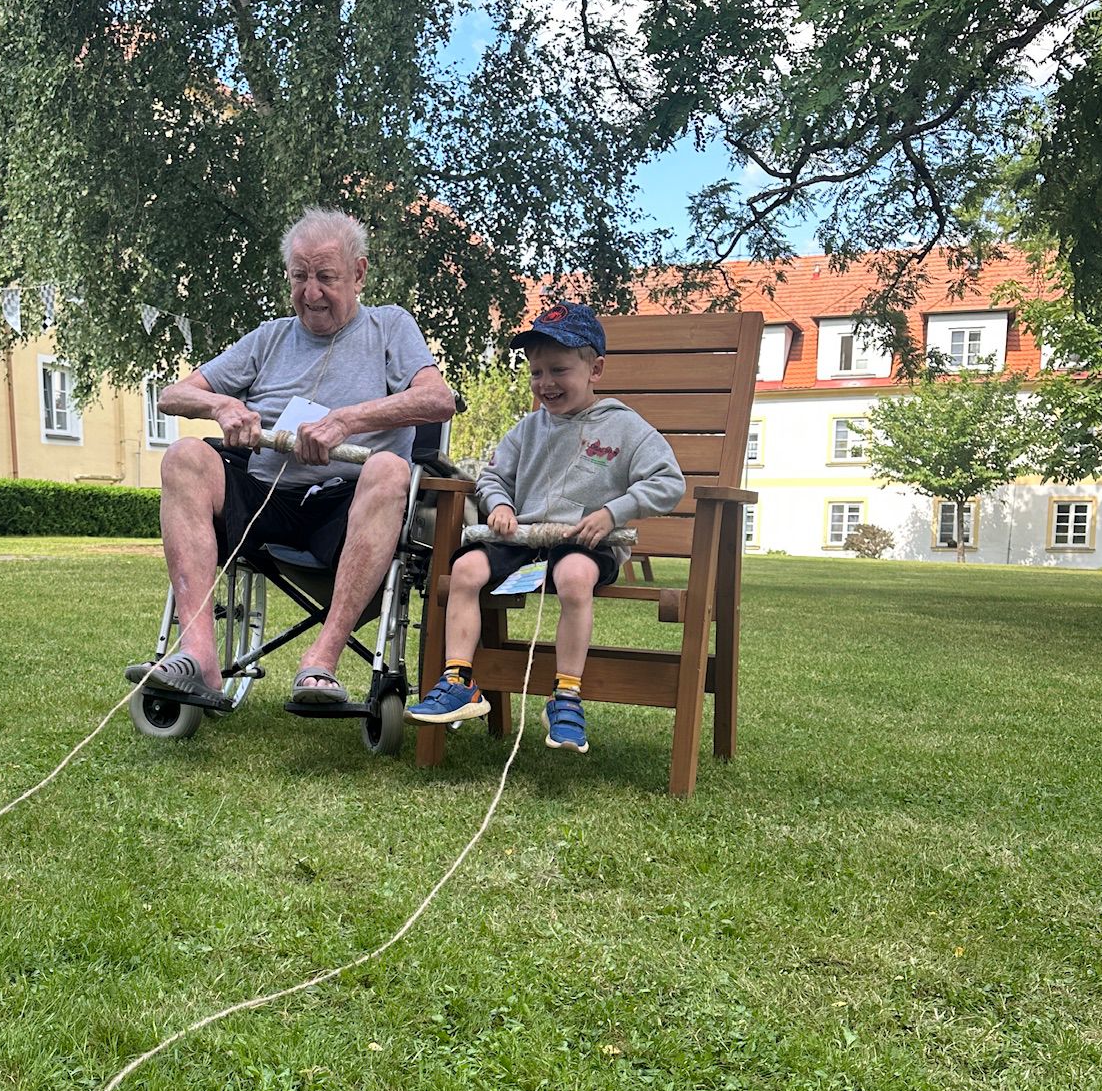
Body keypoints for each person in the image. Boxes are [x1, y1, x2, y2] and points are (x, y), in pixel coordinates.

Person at [126, 207, 454, 709]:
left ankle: (321, 659)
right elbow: (174, 395)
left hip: (347, 505)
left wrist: (346, 421)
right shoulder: (270, 336)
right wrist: (223, 405)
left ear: (359, 274)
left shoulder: (390, 327)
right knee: (184, 455)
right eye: (299, 277)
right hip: (265, 495)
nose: (311, 292)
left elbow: (437, 400)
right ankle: (198, 656)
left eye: (326, 277)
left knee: (390, 468)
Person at [407, 301, 685, 754]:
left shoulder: (626, 427)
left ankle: (566, 695)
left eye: (559, 370)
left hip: (585, 542)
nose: (546, 383)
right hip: (524, 539)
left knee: (573, 577)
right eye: (536, 372)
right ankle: (459, 681)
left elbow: (668, 482)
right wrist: (499, 505)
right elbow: (493, 479)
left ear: (595, 370)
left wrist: (613, 512)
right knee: (465, 570)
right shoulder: (528, 429)